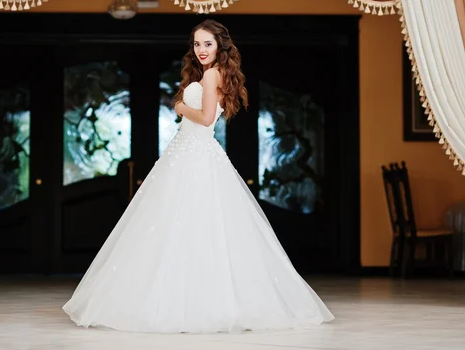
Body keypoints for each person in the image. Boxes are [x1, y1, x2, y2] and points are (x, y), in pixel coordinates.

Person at [62, 19, 334, 333]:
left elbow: (205, 119)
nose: (201, 49)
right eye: (196, 44)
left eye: (207, 43)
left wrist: (178, 107)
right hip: (188, 152)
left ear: (220, 46)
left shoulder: (212, 75)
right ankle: (189, 301)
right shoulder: (209, 75)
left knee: (183, 224)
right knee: (182, 225)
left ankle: (185, 304)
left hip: (196, 150)